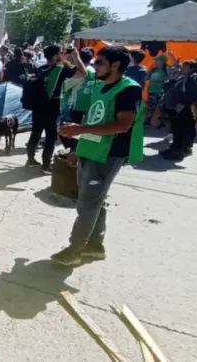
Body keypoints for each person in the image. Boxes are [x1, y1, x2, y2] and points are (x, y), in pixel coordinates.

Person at [55, 45, 143, 266]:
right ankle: (95, 246)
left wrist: (79, 131)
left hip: (108, 155)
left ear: (115, 65)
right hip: (90, 150)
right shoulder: (101, 86)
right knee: (94, 201)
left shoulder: (128, 89)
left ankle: (75, 250)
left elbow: (123, 126)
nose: (96, 66)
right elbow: (93, 120)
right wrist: (78, 148)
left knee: (88, 204)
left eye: (100, 62)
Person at [25, 44, 72, 172]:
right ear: (55, 56)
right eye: (60, 53)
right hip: (52, 107)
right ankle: (46, 163)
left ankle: (30, 159)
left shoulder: (40, 68)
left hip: (37, 106)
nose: (62, 55)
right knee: (51, 137)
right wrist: (66, 61)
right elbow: (78, 72)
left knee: (35, 133)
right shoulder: (61, 70)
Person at [155, 61, 197, 161]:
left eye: (185, 67)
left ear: (192, 69)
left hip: (185, 110)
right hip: (175, 109)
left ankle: (179, 152)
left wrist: (183, 104)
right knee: (176, 130)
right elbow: (166, 87)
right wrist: (173, 78)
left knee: (182, 131)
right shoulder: (182, 77)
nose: (181, 68)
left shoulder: (195, 78)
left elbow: (194, 94)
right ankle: (174, 148)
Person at [146, 53, 170, 127]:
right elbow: (148, 78)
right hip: (151, 91)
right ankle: (148, 121)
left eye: (157, 60)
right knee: (150, 107)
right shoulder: (154, 69)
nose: (155, 62)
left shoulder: (166, 69)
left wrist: (160, 80)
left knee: (160, 108)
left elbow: (169, 78)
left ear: (163, 62)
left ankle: (160, 122)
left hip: (161, 91)